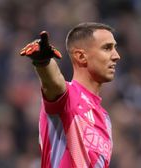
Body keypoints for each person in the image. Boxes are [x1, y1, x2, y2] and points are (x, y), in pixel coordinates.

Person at [20, 22, 120, 168]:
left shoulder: (105, 118)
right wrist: (43, 61)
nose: (116, 56)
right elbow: (54, 83)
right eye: (107, 48)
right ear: (80, 56)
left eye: (115, 48)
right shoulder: (70, 96)